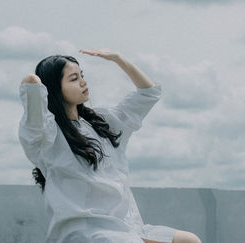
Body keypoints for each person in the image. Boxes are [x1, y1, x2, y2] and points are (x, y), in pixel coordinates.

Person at [18, 48, 202, 243]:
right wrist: (36, 81)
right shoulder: (48, 136)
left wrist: (118, 59)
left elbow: (149, 93)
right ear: (54, 89)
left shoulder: (101, 121)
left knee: (189, 240)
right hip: (86, 231)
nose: (83, 82)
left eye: (82, 75)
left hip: (126, 226)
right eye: (73, 79)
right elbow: (32, 90)